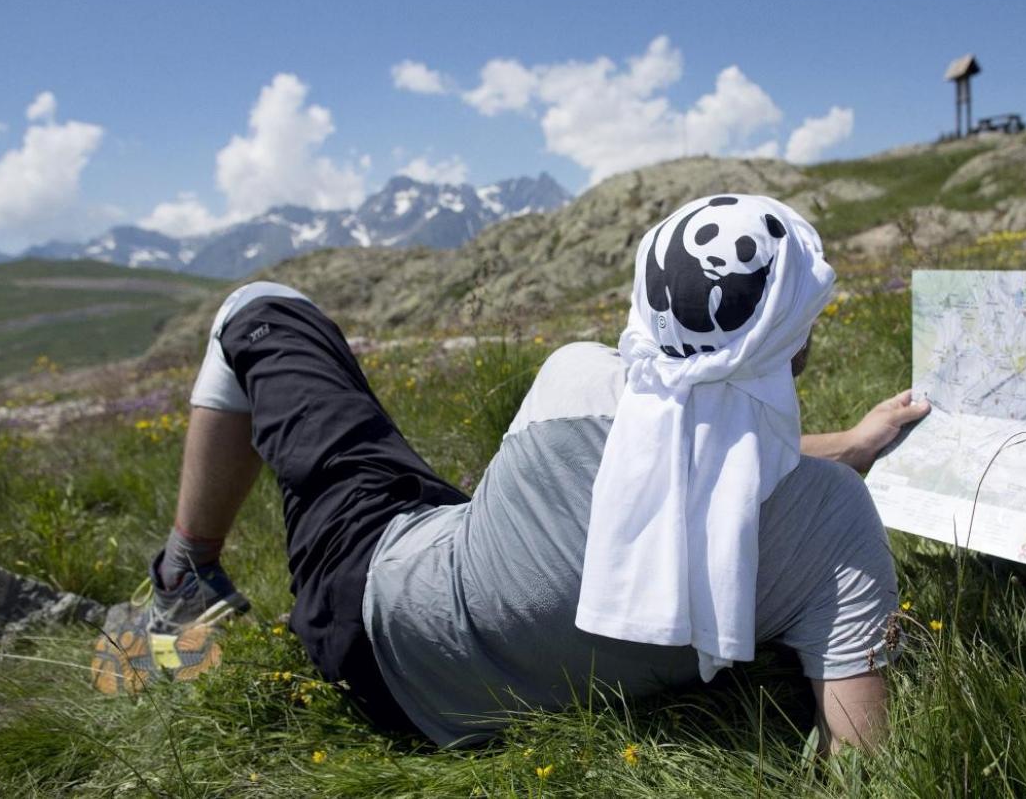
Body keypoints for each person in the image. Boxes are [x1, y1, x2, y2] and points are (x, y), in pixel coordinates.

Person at [90, 194, 929, 753]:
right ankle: (184, 588)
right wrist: (849, 456)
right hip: (469, 701)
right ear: (794, 336)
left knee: (259, 306)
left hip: (375, 613)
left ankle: (185, 577)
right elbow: (865, 760)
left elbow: (686, 431)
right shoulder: (833, 529)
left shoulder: (574, 379)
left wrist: (846, 445)